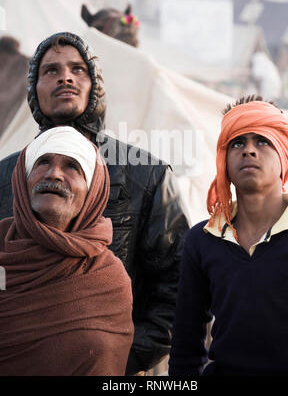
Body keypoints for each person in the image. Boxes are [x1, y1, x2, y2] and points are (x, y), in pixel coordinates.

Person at [0, 31, 190, 375]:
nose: (66, 77)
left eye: (78, 69)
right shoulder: (5, 176)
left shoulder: (146, 175)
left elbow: (180, 284)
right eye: (51, 70)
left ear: (95, 86)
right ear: (34, 88)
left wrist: (118, 352)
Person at [169, 95, 288, 376]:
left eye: (262, 140)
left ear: (285, 153)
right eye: (237, 142)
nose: (248, 150)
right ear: (223, 159)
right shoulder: (202, 239)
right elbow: (185, 343)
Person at [0, 126, 134, 376]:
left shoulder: (109, 278)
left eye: (72, 166)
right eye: (43, 162)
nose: (54, 174)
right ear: (23, 179)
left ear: (92, 191)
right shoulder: (3, 251)